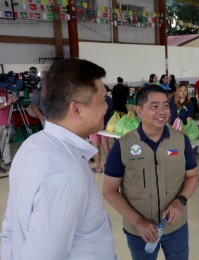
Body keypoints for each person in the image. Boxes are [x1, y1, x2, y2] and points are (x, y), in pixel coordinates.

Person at [1, 58, 116, 259]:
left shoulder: (33, 145)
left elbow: (11, 227)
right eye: (102, 100)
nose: (107, 107)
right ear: (76, 109)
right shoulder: (68, 177)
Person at [103, 84, 199, 260]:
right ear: (139, 111)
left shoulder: (180, 141)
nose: (162, 111)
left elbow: (192, 176)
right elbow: (109, 190)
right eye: (154, 106)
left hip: (175, 227)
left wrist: (180, 201)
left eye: (165, 105)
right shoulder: (123, 146)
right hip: (140, 231)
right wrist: (138, 221)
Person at [89, 85, 113, 173]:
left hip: (94, 125)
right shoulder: (109, 100)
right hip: (105, 125)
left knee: (96, 146)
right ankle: (110, 165)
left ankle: (98, 167)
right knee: (105, 144)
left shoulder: (94, 99)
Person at [0, 89, 16, 172]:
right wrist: (7, 103)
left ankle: (8, 160)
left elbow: (8, 106)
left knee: (6, 142)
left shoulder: (5, 91)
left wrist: (11, 101)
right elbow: (5, 104)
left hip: (6, 121)